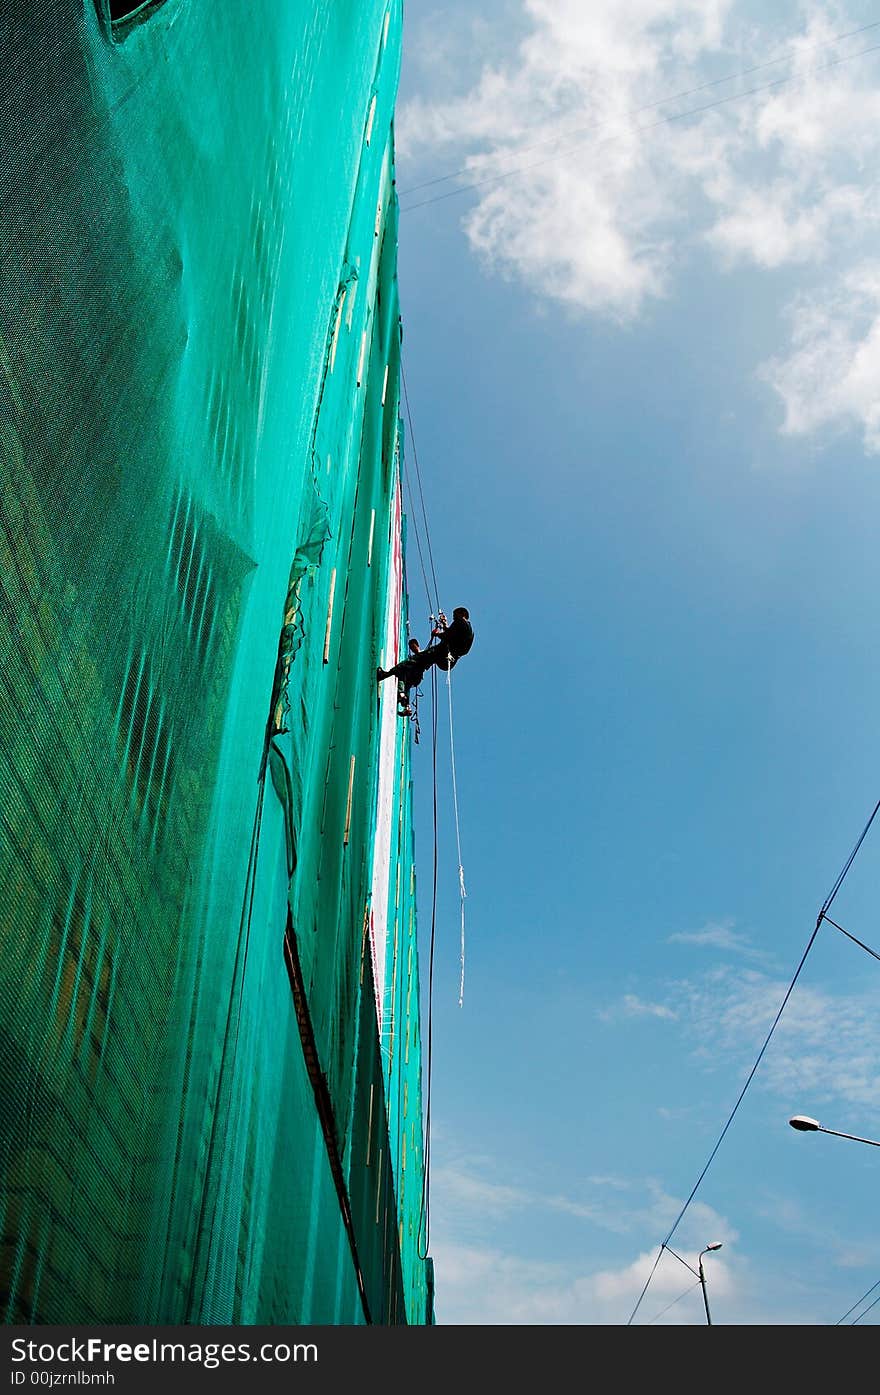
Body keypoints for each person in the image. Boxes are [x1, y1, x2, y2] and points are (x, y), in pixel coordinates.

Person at [377, 607, 474, 715]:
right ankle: (406, 704)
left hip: (442, 653)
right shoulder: (469, 631)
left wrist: (436, 634)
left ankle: (384, 675)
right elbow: (452, 636)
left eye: (455, 615)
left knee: (412, 662)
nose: (453, 617)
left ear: (462, 614)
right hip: (448, 660)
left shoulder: (460, 622)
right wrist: (445, 626)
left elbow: (448, 636)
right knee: (415, 668)